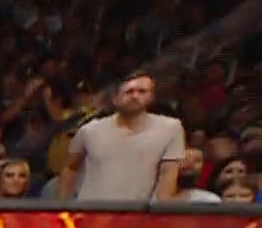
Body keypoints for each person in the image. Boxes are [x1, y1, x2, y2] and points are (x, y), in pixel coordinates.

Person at [58, 70, 184, 202]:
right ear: (115, 98)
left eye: (142, 92)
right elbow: (70, 168)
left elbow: (168, 174)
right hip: (91, 208)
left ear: (152, 96)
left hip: (137, 210)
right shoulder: (90, 130)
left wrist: (158, 210)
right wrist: (64, 205)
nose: (135, 96)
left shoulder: (170, 128)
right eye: (129, 92)